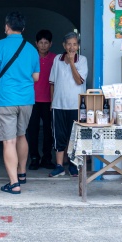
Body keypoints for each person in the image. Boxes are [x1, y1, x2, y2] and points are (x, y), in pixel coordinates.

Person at [0, 11, 40, 195]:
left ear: (6, 26)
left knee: (9, 141)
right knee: (22, 135)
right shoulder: (32, 49)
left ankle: (14, 184)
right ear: (23, 28)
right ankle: (22, 173)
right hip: (26, 100)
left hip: (6, 99)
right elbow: (36, 77)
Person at [48, 30, 87, 177]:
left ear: (78, 46)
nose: (71, 47)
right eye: (69, 44)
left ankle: (72, 164)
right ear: (64, 45)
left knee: (74, 135)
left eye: (74, 44)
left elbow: (79, 80)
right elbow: (51, 83)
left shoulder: (82, 60)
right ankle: (59, 166)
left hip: (75, 105)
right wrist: (52, 102)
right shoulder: (57, 59)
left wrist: (71, 63)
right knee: (59, 136)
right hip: (58, 105)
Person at [26, 29, 56, 170]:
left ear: (51, 44)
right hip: (32, 100)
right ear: (36, 44)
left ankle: (47, 157)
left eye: (46, 43)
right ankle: (34, 157)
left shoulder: (55, 59)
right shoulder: (30, 58)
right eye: (41, 43)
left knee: (49, 131)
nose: (43, 45)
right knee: (32, 130)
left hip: (50, 101)